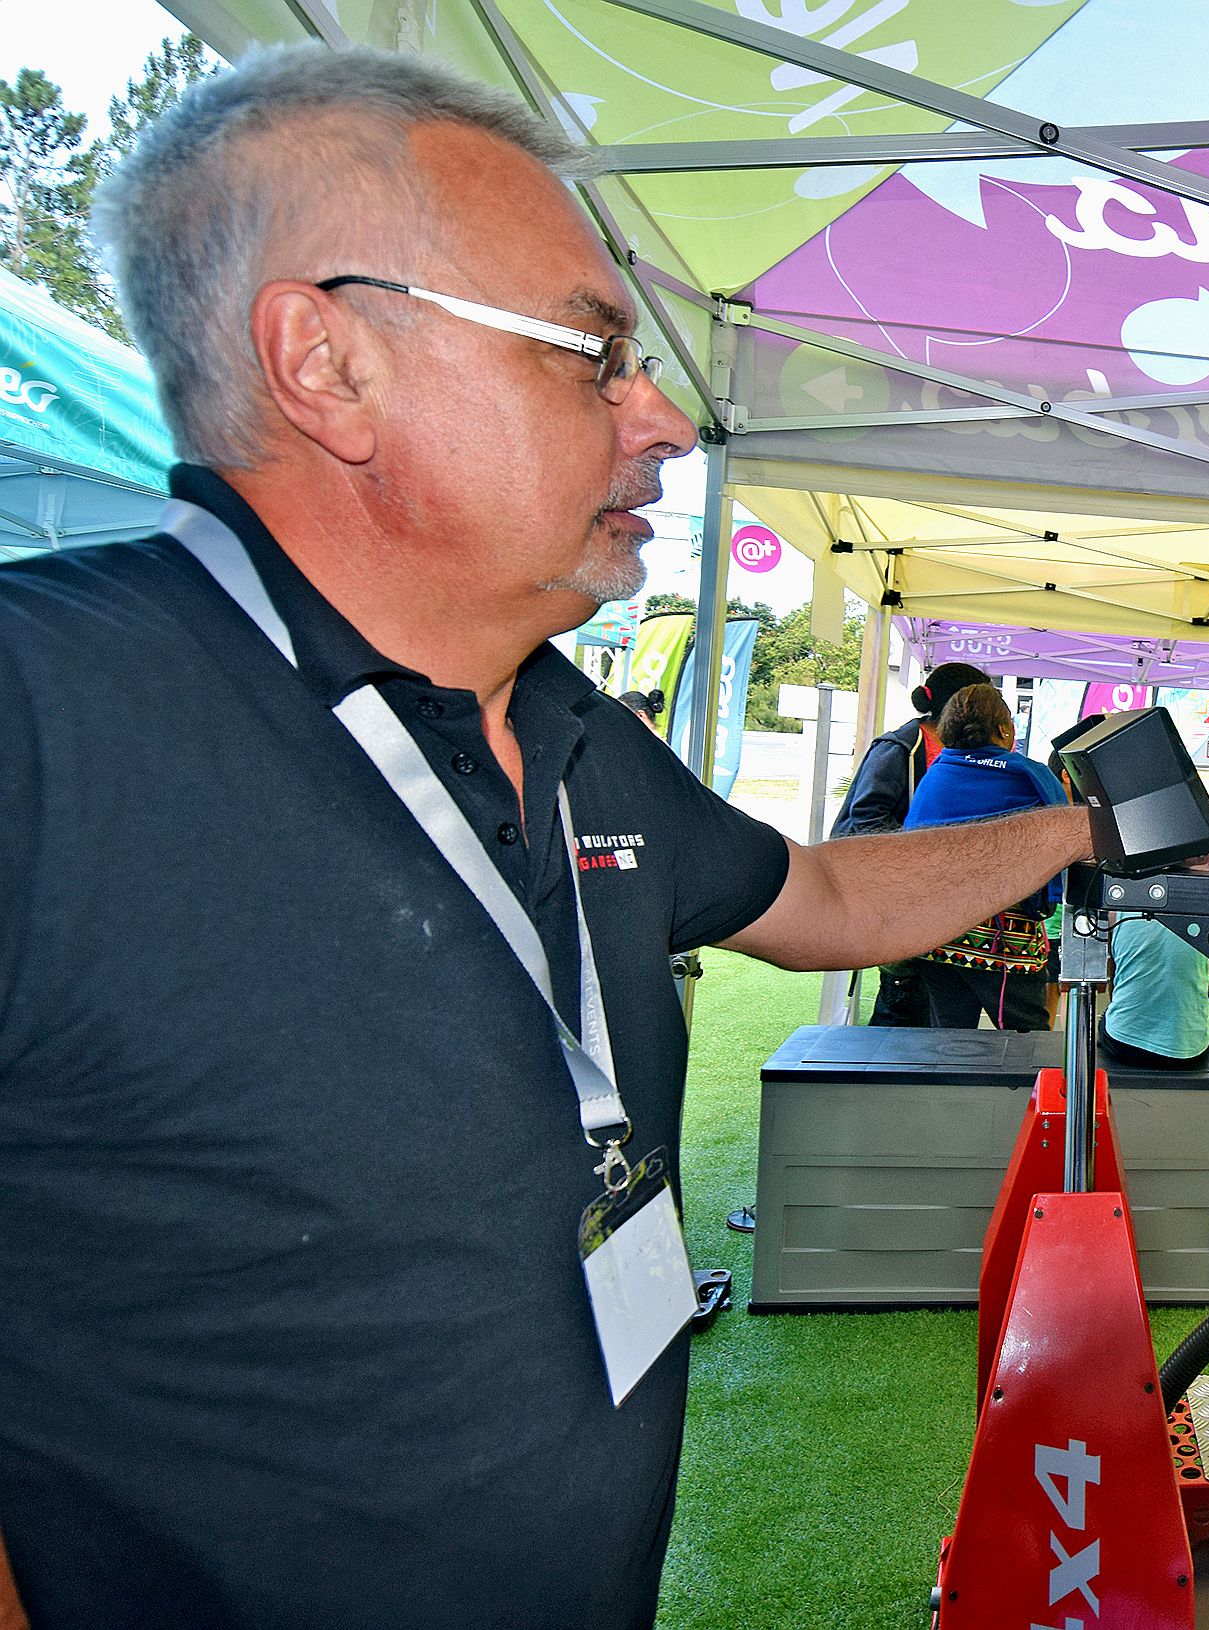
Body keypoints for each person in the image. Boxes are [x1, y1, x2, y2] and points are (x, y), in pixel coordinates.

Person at [0, 48, 1091, 1630]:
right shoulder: (46, 715)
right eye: (589, 356)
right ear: (326, 362)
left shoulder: (578, 729)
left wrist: (1078, 819)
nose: (661, 420)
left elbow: (834, 892)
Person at [899, 683, 1070, 1030]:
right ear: (1005, 729)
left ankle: (951, 1086)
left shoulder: (936, 775)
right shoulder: (1027, 775)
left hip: (935, 936)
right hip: (1005, 943)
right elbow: (1063, 835)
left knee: (948, 1041)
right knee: (1027, 1042)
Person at [831, 659, 992, 1025]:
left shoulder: (957, 750)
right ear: (958, 704)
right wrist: (921, 858)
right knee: (901, 996)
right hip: (891, 891)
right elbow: (866, 818)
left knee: (924, 996)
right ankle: (880, 1076)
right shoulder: (900, 747)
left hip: (925, 898)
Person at [1098, 852, 1209, 1071]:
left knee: (1111, 1019)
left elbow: (1114, 970)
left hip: (1125, 1044)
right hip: (1190, 1047)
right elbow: (1208, 976)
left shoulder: (1118, 900)